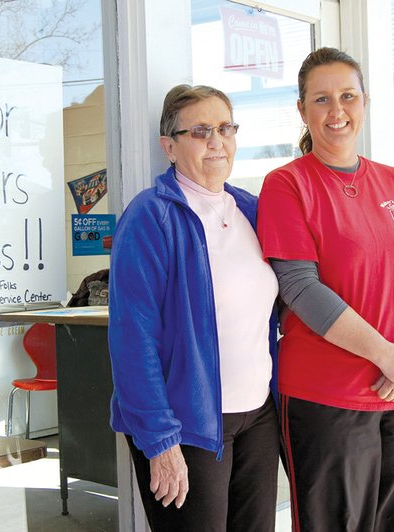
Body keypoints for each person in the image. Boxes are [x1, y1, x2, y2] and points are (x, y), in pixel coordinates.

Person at [257, 47, 394, 532]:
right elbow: (301, 286)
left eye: (347, 96)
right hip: (328, 396)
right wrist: (387, 355)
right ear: (302, 110)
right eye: (321, 99)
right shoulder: (288, 185)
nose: (337, 110)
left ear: (364, 102)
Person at [108, 84, 281, 531]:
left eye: (225, 128)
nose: (216, 141)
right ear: (169, 146)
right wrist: (160, 441)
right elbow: (133, 338)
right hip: (186, 423)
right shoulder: (150, 216)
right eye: (201, 130)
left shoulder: (253, 211)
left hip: (258, 415)